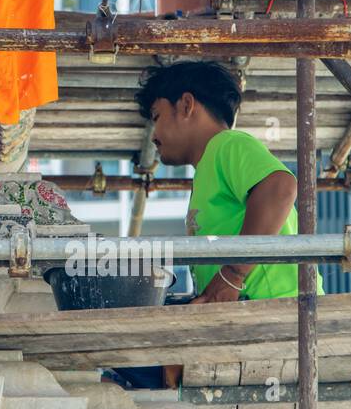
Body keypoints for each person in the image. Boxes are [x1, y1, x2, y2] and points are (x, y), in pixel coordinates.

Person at [134, 60, 323, 303]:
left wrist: (232, 275)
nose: (154, 136)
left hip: (279, 308)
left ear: (186, 105)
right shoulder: (207, 168)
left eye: (156, 116)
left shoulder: (228, 145)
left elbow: (280, 187)